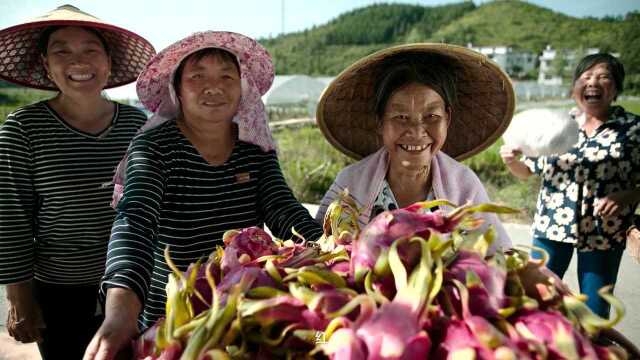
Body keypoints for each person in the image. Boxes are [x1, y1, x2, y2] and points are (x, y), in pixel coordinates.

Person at [83, 31, 323, 359]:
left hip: (241, 313)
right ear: (176, 89)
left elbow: (283, 209)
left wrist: (329, 252)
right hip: (168, 320)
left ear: (242, 88)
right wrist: (120, 313)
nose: (214, 86)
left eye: (227, 75)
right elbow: (134, 222)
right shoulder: (153, 148)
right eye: (197, 76)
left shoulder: (254, 150)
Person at [0, 5, 155, 359]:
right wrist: (18, 297)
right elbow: (11, 218)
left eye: (90, 49)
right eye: (62, 51)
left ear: (109, 62)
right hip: (61, 292)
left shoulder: (138, 125)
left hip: (135, 286)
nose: (78, 61)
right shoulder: (23, 130)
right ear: (45, 65)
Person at [315, 44, 514, 252]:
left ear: (448, 118)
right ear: (380, 122)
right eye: (401, 117)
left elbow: (500, 255)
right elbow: (319, 249)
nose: (417, 131)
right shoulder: (350, 184)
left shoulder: (465, 187)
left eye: (432, 117)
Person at [500, 53, 640, 318]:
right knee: (537, 297)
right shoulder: (556, 124)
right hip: (552, 224)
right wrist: (511, 162)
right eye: (585, 77)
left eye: (603, 77)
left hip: (604, 229)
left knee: (595, 309)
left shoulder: (633, 129)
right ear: (575, 87)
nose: (592, 83)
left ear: (617, 87)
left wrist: (627, 195)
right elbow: (526, 170)